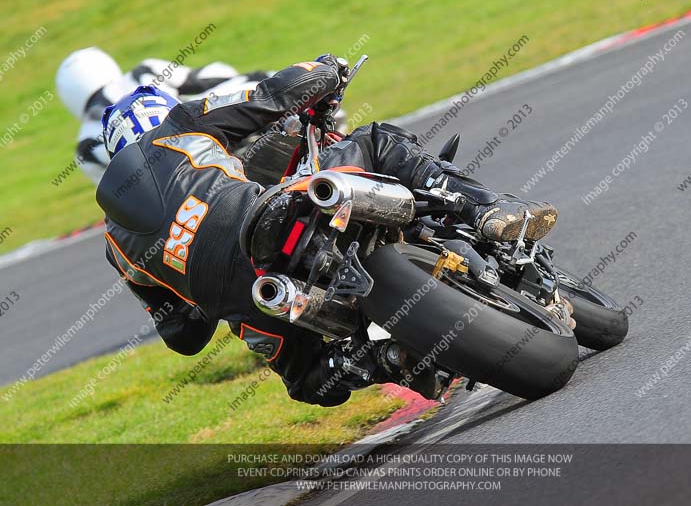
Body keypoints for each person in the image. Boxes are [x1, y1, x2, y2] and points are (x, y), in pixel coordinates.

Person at [95, 55, 559, 407]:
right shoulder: (180, 126)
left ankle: (377, 360)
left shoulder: (115, 245)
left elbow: (183, 336)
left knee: (307, 380)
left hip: (248, 298)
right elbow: (273, 96)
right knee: (376, 141)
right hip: (260, 219)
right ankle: (483, 209)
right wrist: (327, 68)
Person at [56, 47, 273, 184]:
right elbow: (214, 74)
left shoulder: (85, 150)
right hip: (204, 135)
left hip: (174, 189)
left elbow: (117, 199)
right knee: (257, 80)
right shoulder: (142, 72)